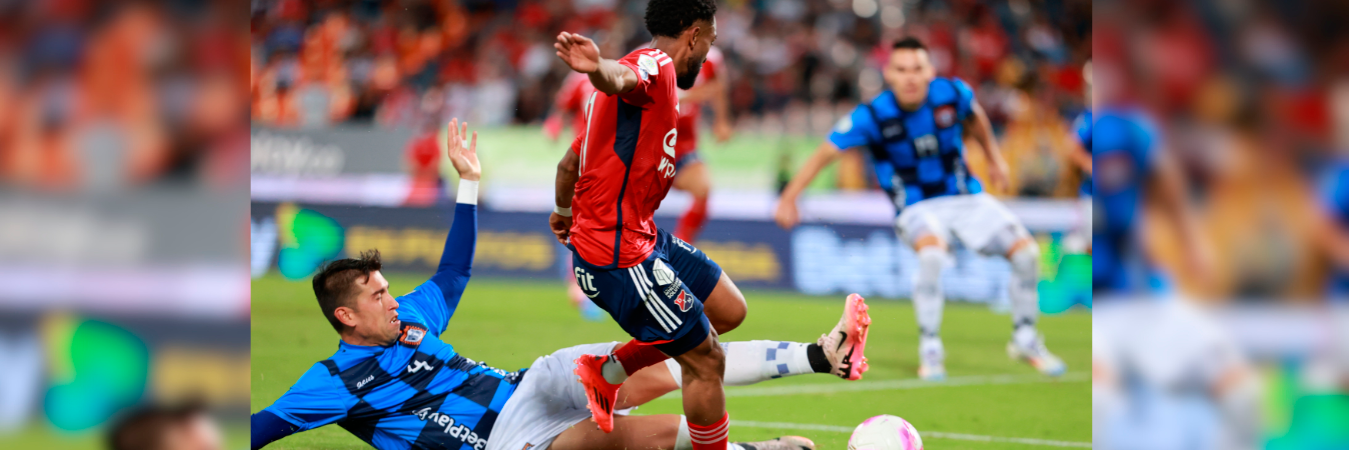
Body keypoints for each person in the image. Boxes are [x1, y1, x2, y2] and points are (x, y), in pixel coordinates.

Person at [250, 119, 869, 450]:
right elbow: (259, 429)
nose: (391, 299)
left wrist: (468, 182)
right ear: (346, 319)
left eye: (387, 289)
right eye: (377, 296)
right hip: (501, 442)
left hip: (527, 387)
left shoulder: (413, 317)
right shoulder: (332, 384)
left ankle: (822, 354)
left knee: (681, 356)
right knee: (630, 439)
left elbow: (454, 271)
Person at [551, 2, 864, 447]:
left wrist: (563, 212)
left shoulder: (621, 103)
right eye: (710, 42)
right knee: (705, 359)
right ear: (694, 36)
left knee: (728, 310)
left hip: (642, 234)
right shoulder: (653, 65)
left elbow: (569, 164)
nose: (708, 55)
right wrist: (597, 66)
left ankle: (608, 372)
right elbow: (619, 76)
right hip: (618, 253)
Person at [773, 36, 1062, 381]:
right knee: (932, 255)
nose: (910, 77)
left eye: (917, 69)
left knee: (1027, 253)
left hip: (965, 197)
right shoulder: (873, 115)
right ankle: (931, 348)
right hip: (915, 206)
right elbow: (826, 152)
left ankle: (1026, 339)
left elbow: (977, 117)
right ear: (889, 74)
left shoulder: (952, 94)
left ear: (930, 72)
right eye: (901, 70)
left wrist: (994, 158)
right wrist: (790, 197)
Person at [670, 44, 731, 243]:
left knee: (703, 188)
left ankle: (680, 246)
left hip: (684, 146)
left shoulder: (710, 58)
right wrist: (694, 95)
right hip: (647, 148)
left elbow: (718, 84)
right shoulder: (648, 57)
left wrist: (721, 121)